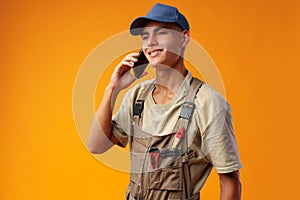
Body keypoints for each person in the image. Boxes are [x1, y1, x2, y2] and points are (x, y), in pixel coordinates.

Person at [88, 3, 242, 200]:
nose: (150, 42)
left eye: (161, 33)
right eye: (145, 36)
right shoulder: (138, 97)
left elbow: (230, 181)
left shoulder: (208, 103)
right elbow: (96, 145)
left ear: (184, 38)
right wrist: (113, 89)